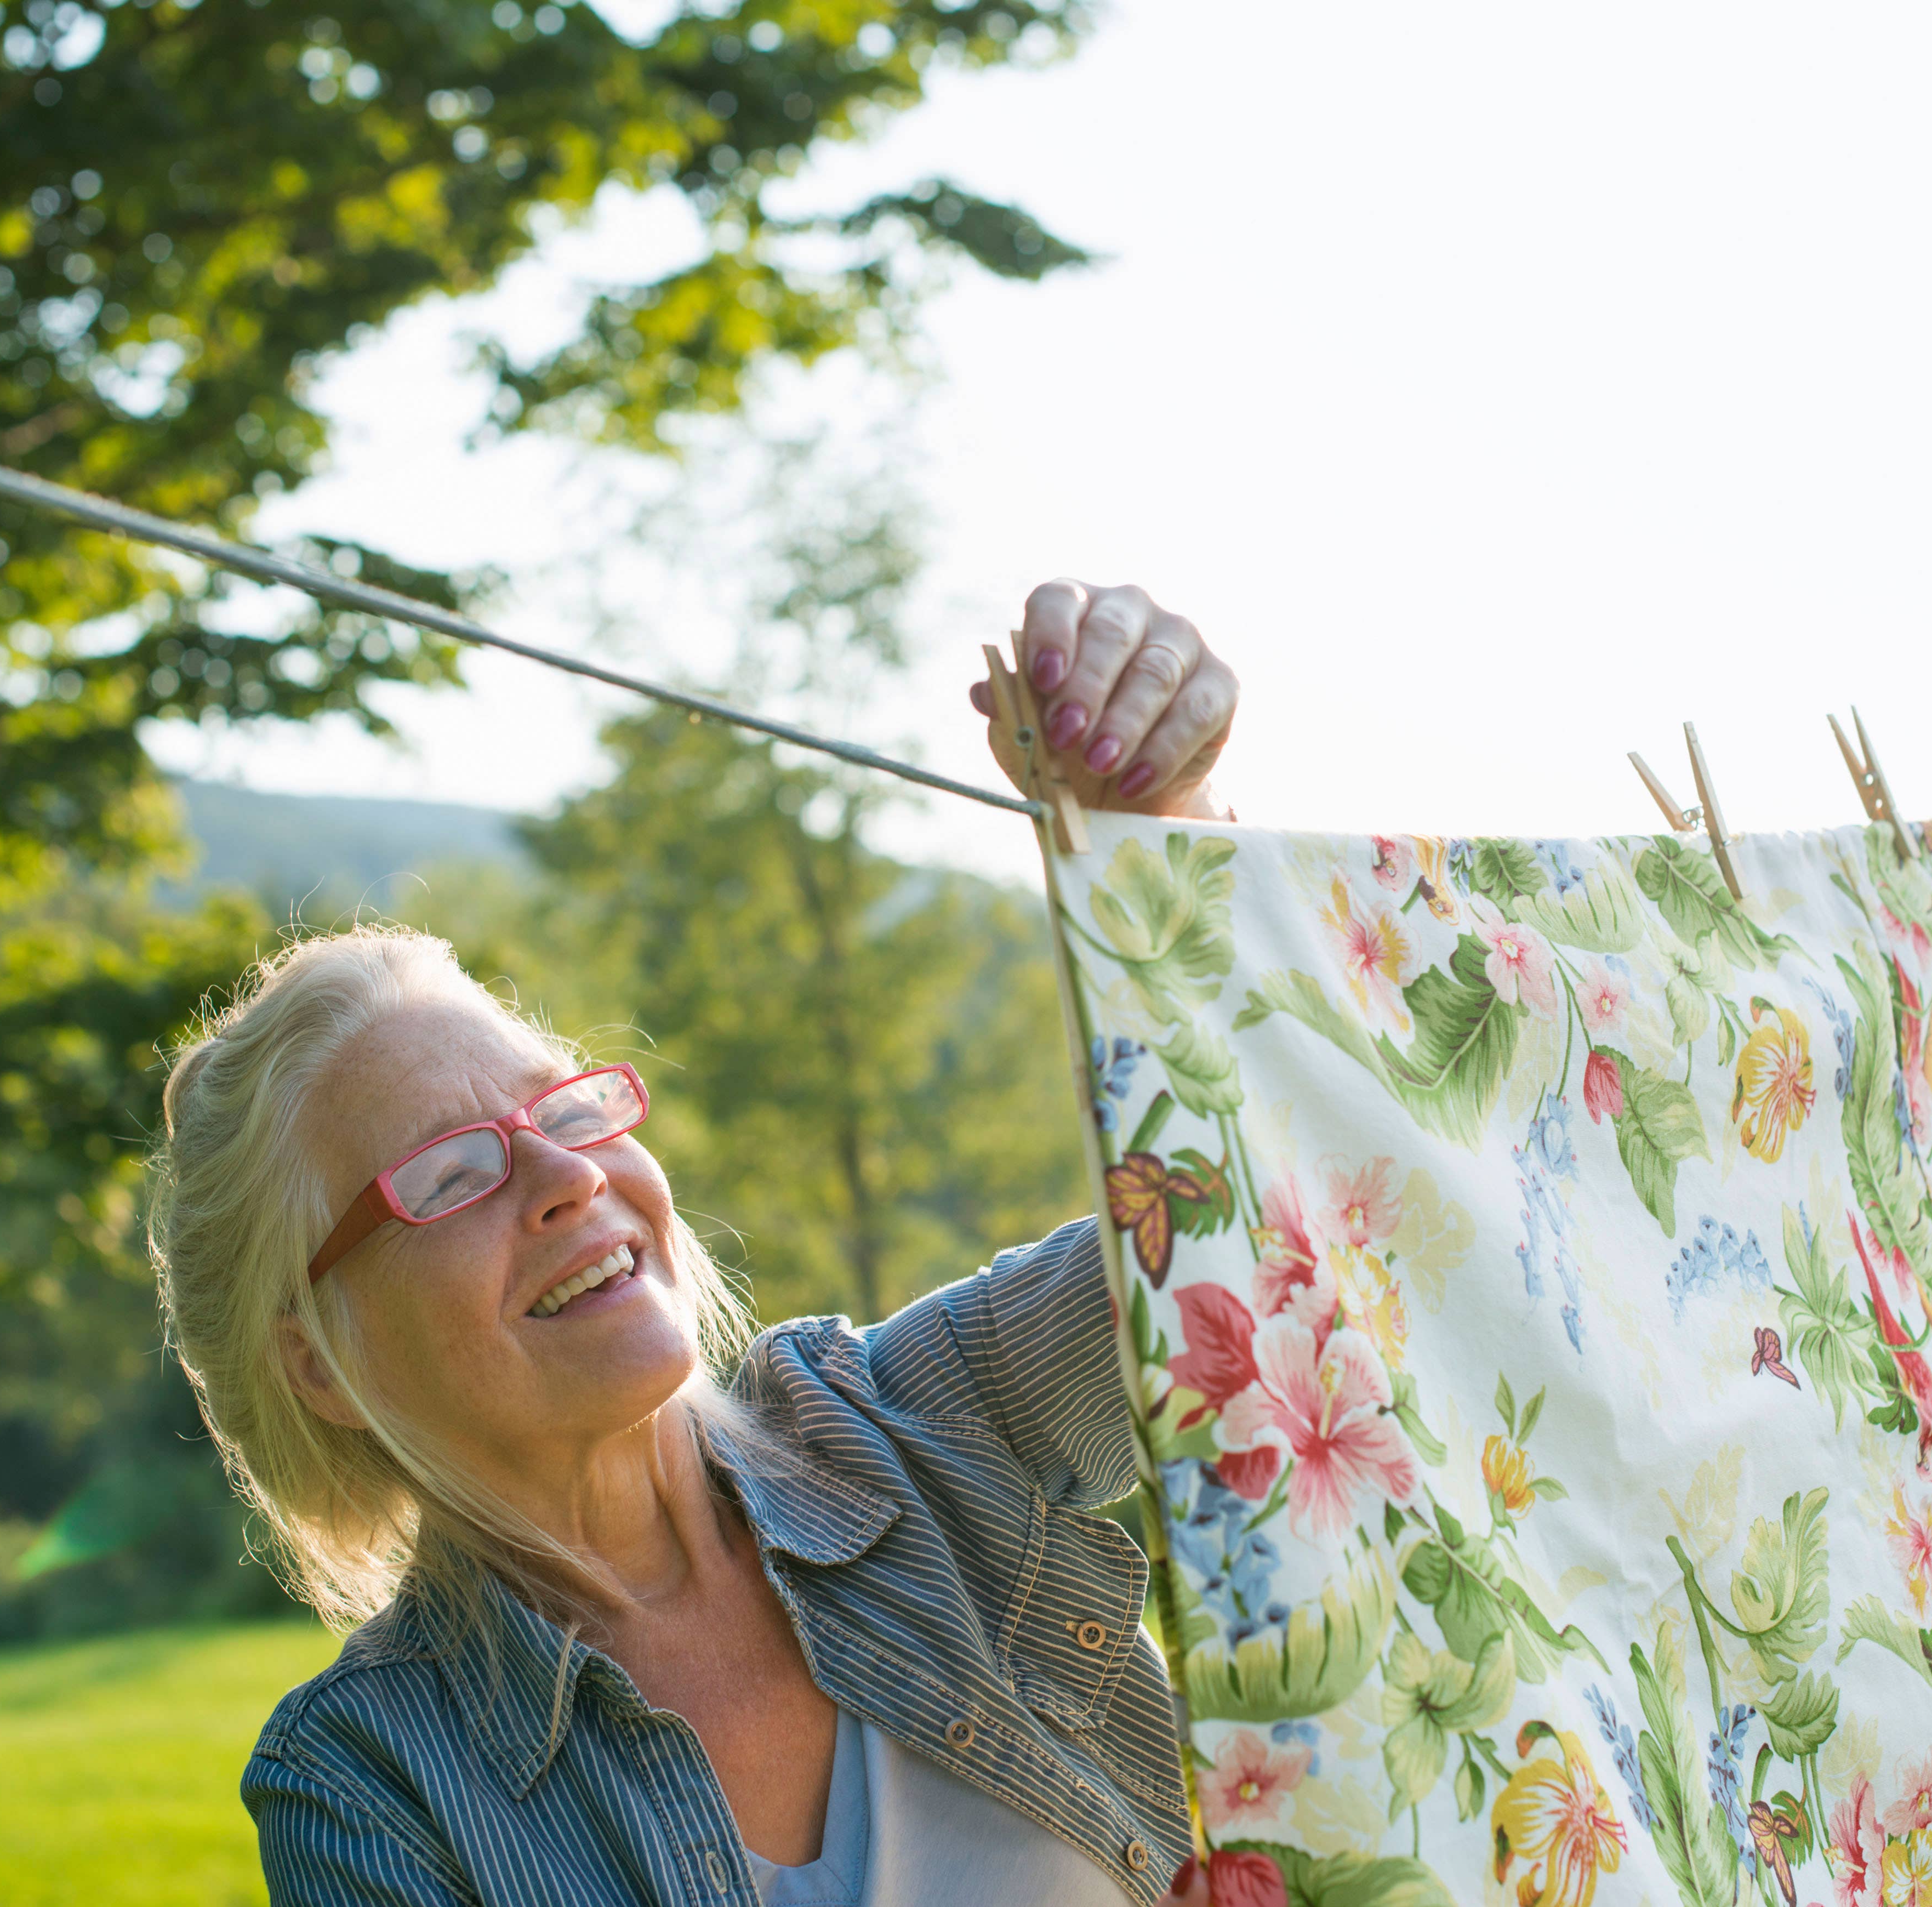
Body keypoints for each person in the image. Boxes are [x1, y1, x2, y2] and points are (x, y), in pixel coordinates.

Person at [149, 580, 1243, 1906]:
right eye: (447, 1172)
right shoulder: (367, 1783)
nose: (564, 1175)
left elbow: (1245, 1228)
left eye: (565, 1106)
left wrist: (1159, 832)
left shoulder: (917, 1417)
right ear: (319, 1363)